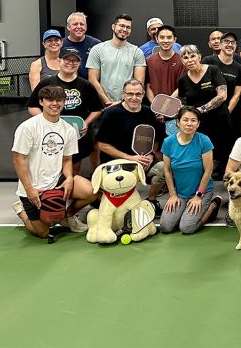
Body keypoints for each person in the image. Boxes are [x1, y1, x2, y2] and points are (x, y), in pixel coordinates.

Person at [11, 85, 96, 238]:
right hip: (33, 186)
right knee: (43, 232)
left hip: (57, 180)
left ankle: (66, 217)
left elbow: (67, 159)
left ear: (64, 102)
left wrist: (69, 178)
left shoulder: (69, 130)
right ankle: (21, 211)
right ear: (41, 102)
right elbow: (19, 160)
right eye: (49, 100)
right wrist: (29, 189)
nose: (55, 104)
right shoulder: (28, 127)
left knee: (91, 192)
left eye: (59, 100)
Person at [27, 47, 102, 174]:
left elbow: (97, 109)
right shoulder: (47, 82)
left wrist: (86, 122)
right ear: (59, 61)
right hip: (51, 133)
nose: (70, 63)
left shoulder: (86, 85)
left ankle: (70, 191)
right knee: (50, 165)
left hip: (77, 134)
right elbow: (32, 106)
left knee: (73, 169)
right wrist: (45, 121)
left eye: (74, 61)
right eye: (67, 60)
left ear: (79, 64)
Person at [160, 106, 222, 234]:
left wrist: (198, 196)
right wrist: (172, 195)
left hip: (201, 192)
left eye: (193, 120)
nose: (189, 124)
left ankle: (213, 204)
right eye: (185, 120)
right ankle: (185, 210)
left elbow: (208, 170)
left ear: (198, 124)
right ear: (178, 122)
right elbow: (167, 171)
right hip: (181, 193)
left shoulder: (204, 140)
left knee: (187, 228)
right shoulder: (168, 142)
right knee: (166, 227)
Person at [175, 44, 232, 173]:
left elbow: (222, 96)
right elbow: (183, 100)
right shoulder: (182, 79)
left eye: (192, 56)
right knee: (203, 151)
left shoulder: (213, 70)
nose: (189, 60)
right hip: (199, 123)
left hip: (220, 119)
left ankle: (226, 177)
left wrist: (201, 109)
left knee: (224, 149)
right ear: (182, 61)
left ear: (199, 57)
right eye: (185, 57)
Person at [95, 79, 165, 166]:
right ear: (123, 95)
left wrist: (150, 155)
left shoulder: (149, 113)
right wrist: (130, 158)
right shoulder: (112, 113)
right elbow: (102, 145)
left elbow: (155, 139)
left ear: (143, 95)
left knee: (161, 168)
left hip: (142, 162)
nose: (134, 98)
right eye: (130, 94)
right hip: (117, 163)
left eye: (138, 94)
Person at [86, 14, 146, 106]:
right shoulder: (97, 49)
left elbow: (139, 82)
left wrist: (122, 102)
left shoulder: (137, 52)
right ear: (113, 27)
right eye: (122, 26)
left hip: (128, 105)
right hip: (103, 105)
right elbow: (92, 79)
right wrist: (107, 101)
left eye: (128, 27)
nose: (125, 29)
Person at [202, 32, 241, 140]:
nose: (230, 44)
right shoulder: (208, 61)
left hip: (230, 113)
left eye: (233, 42)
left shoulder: (239, 68)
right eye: (226, 41)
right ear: (220, 45)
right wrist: (208, 108)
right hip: (209, 112)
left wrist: (226, 113)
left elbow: (236, 95)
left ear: (235, 46)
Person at [145, 24, 186, 104]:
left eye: (169, 37)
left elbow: (182, 87)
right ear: (157, 39)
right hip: (155, 109)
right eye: (162, 37)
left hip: (176, 108)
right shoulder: (149, 61)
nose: (165, 40)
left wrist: (166, 105)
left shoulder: (182, 61)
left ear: (174, 40)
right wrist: (156, 106)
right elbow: (148, 87)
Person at [62, 12, 101, 79]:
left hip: (90, 85)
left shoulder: (96, 44)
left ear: (86, 26)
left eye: (82, 24)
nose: (79, 27)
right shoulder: (61, 44)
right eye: (75, 24)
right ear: (68, 27)